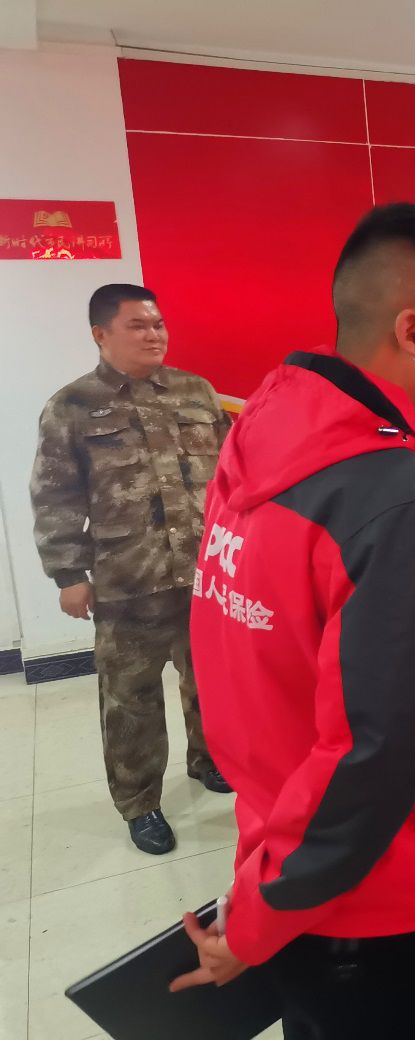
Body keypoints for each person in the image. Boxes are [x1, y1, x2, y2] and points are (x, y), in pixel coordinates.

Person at [171, 203, 415, 1038]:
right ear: (414, 331)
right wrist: (261, 915)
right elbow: (375, 748)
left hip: (292, 861)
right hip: (399, 901)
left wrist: (265, 893)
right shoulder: (391, 494)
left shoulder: (264, 444)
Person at [29, 283, 231, 856]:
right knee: (130, 701)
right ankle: (140, 804)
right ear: (101, 334)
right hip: (127, 580)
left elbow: (231, 475)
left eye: (158, 324)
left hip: (204, 573)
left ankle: (209, 759)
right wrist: (69, 575)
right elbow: (54, 494)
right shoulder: (71, 406)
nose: (154, 334)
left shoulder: (196, 391)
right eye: (138, 325)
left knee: (211, 681)